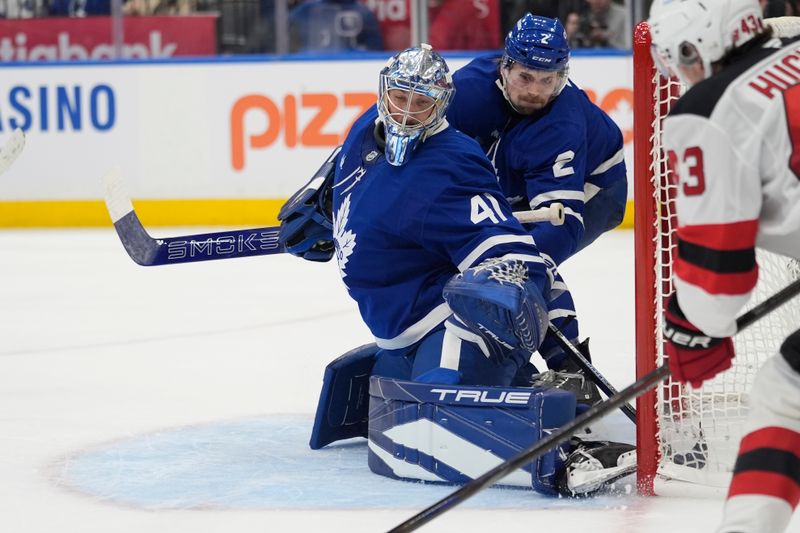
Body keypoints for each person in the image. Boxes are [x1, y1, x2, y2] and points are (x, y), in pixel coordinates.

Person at [278, 43, 636, 497]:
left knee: (438, 415)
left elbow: (520, 258)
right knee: (400, 404)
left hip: (446, 328)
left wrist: (507, 288)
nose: (407, 112)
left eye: (422, 102)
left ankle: (568, 443)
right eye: (400, 97)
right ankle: (547, 398)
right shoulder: (363, 134)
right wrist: (322, 197)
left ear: (442, 104)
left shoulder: (452, 162)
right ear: (383, 93)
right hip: (401, 330)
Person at [648, 1, 800, 532]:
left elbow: (718, 279)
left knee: (785, 398)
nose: (681, 74)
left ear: (697, 44)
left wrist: (689, 327)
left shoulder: (713, 106)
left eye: (678, 59)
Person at [446, 14, 627, 402]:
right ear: (504, 66)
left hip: (596, 189)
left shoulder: (560, 122)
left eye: (549, 81)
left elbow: (561, 224)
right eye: (525, 77)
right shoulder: (467, 91)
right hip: (517, 180)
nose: (536, 92)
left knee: (524, 261)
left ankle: (572, 373)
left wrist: (516, 262)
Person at [288, 0, 383, 53]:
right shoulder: (307, 9)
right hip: (311, 66)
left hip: (350, 69)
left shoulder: (363, 12)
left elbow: (374, 51)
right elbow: (284, 37)